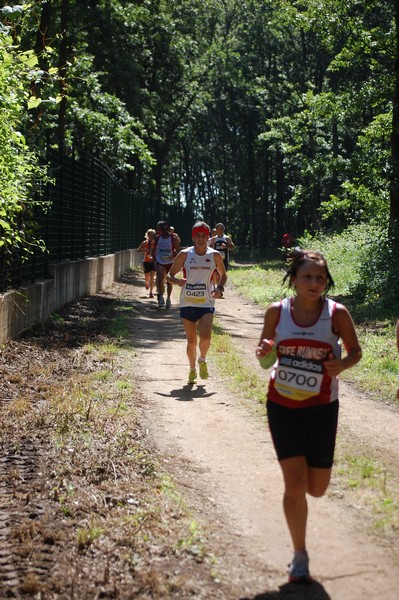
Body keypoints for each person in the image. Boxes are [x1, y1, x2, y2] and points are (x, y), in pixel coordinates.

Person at [256, 249, 361, 583]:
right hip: (282, 405)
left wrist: (342, 364)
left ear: (326, 281)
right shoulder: (277, 312)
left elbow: (355, 351)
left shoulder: (337, 314)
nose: (314, 283)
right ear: (295, 279)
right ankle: (299, 555)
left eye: (320, 277)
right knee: (295, 483)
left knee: (317, 488)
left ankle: (300, 549)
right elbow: (263, 360)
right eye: (308, 276)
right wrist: (265, 352)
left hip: (322, 408)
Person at [167, 221, 227, 384]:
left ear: (208, 236)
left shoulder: (214, 255)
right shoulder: (185, 254)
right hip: (187, 302)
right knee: (192, 341)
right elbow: (169, 276)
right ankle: (192, 369)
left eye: (204, 235)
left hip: (206, 303)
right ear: (193, 237)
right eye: (198, 235)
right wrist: (177, 281)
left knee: (206, 338)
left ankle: (202, 360)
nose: (201, 238)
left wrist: (219, 288)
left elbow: (223, 275)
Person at [153, 220, 181, 308]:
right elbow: (154, 248)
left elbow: (179, 250)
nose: (160, 231)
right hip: (160, 261)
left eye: (164, 229)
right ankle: (161, 296)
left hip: (170, 262)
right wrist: (153, 257)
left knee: (169, 281)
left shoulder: (173, 238)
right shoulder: (157, 238)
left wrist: (174, 255)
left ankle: (168, 298)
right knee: (160, 277)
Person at [137, 229, 156, 298]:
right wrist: (145, 250)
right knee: (147, 277)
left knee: (152, 276)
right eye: (150, 235)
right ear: (147, 235)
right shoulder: (145, 243)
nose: (151, 236)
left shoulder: (156, 243)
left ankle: (151, 292)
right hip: (146, 261)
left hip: (153, 261)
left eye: (153, 235)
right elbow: (138, 250)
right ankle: (147, 283)